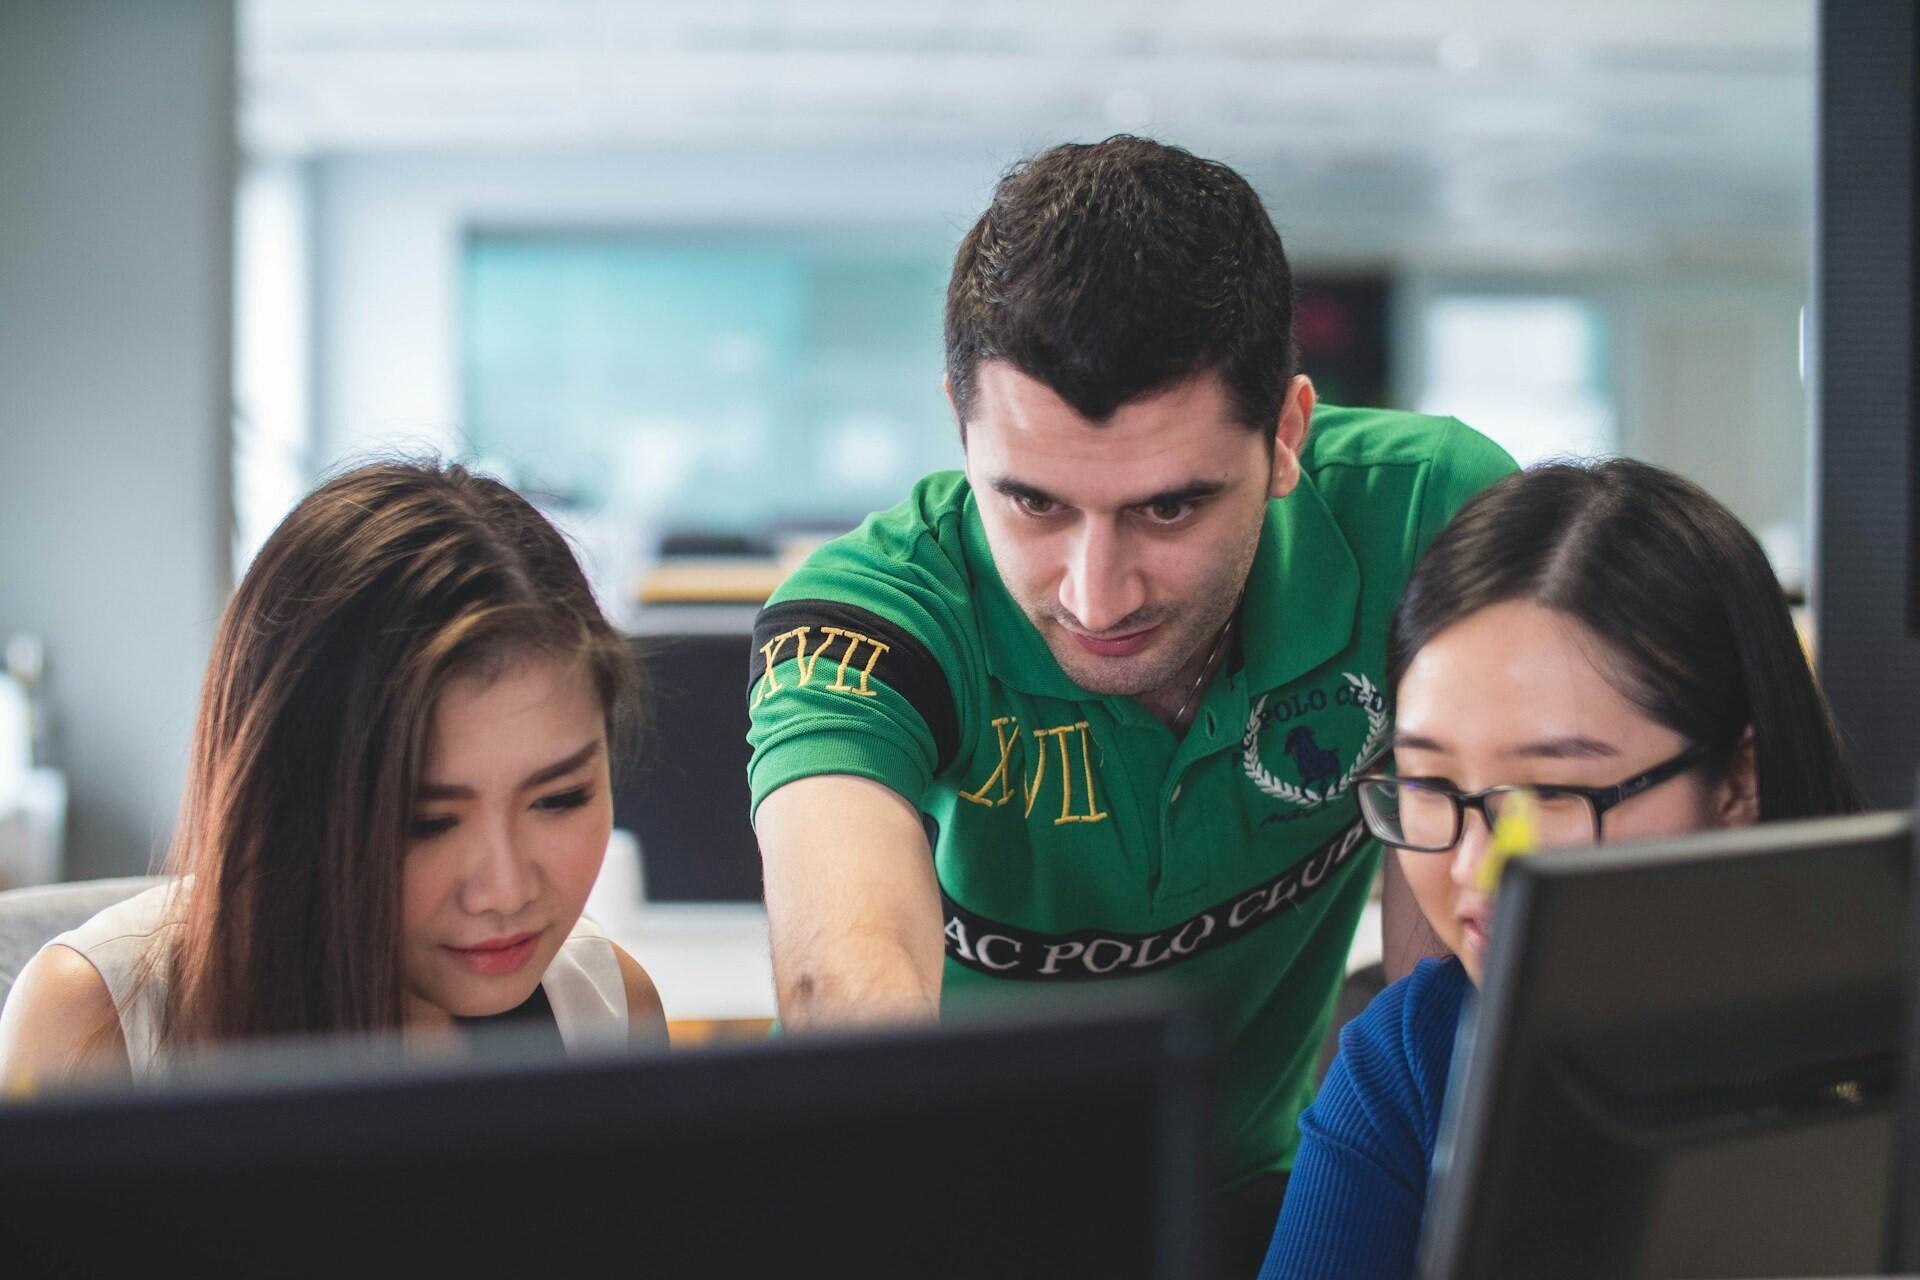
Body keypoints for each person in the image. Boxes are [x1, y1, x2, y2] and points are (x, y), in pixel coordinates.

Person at [746, 133, 1515, 1264]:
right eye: (1035, 504)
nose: (1095, 594)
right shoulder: (868, 617)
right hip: (913, 1204)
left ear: (1286, 433)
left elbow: (1437, 984)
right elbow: (843, 980)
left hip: (1245, 1198)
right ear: (961, 427)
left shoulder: (1427, 515)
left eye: (1168, 508)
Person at [1257, 459, 1866, 1279]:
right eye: (1429, 783)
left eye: (1547, 792)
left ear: (1736, 782)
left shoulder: (1876, 1045)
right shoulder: (1413, 1055)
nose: (1477, 866)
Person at [0, 462, 666, 1087]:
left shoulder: (607, 1013)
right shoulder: (97, 1027)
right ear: (287, 804)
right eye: (427, 823)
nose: (505, 890)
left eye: (559, 799)